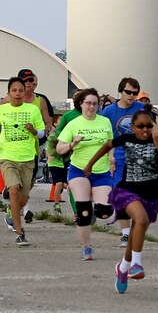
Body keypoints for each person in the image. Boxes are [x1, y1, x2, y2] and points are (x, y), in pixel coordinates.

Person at [86, 105, 158, 292]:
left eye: (149, 126)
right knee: (140, 219)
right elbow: (108, 145)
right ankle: (136, 264)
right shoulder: (126, 139)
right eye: (140, 126)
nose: (144, 130)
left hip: (151, 193)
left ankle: (123, 267)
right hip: (128, 191)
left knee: (135, 232)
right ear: (132, 127)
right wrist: (91, 164)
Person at [56, 88, 114, 260]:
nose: (92, 107)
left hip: (101, 172)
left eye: (95, 103)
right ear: (81, 104)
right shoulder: (74, 124)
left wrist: (112, 158)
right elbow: (59, 148)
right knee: (83, 212)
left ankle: (94, 204)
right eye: (88, 103)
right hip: (79, 170)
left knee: (104, 212)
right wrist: (72, 144)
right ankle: (86, 247)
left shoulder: (105, 122)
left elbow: (110, 144)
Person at [0, 77, 46, 246]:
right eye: (14, 90)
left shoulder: (33, 110)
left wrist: (33, 130)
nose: (18, 93)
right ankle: (20, 232)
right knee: (13, 189)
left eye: (21, 90)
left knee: (23, 197)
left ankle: (12, 212)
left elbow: (42, 133)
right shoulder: (0, 110)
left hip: (28, 158)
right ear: (8, 93)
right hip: (7, 157)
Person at [101, 77, 144, 247]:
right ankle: (126, 234)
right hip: (118, 157)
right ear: (121, 91)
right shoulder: (109, 112)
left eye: (135, 93)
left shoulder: (141, 108)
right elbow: (105, 136)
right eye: (128, 92)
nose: (132, 95)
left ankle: (135, 228)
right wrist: (108, 157)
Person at [45, 115, 68, 213]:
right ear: (55, 123)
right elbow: (49, 147)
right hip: (54, 162)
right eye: (60, 120)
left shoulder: (66, 133)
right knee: (58, 184)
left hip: (63, 162)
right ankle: (56, 204)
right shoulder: (53, 135)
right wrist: (48, 155)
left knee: (65, 185)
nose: (63, 121)